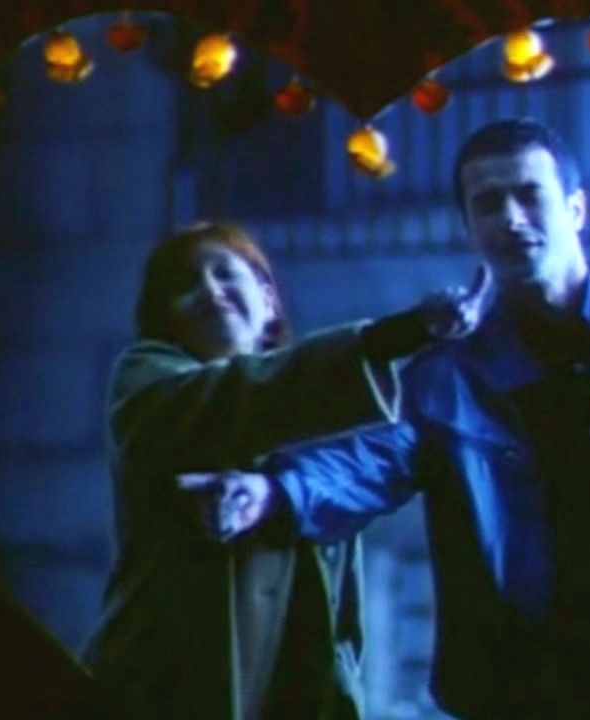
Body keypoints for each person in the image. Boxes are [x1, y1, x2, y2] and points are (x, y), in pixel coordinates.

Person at [187, 118, 590, 719]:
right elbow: (374, 457)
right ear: (470, 228)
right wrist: (273, 490)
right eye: (488, 204)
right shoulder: (449, 378)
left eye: (529, 195)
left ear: (576, 210)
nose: (510, 218)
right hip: (538, 693)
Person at [80, 221, 489, 720]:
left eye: (225, 273)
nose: (210, 290)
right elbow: (239, 399)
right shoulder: (145, 382)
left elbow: (338, 607)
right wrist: (392, 336)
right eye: (186, 284)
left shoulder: (324, 412)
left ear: (268, 299)